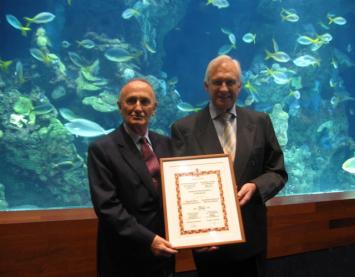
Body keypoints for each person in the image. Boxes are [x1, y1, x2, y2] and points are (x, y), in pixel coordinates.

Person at [171, 55, 288, 277]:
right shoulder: (183, 129)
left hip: (251, 241)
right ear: (206, 86)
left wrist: (255, 186)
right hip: (209, 244)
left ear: (240, 85)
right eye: (217, 82)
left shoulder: (260, 121)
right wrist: (193, 236)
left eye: (230, 82)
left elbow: (277, 171)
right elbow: (180, 189)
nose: (223, 88)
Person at [88, 78, 178, 277]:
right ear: (120, 106)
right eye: (131, 101)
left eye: (145, 102)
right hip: (124, 257)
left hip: (163, 255)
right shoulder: (102, 149)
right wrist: (148, 239)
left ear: (154, 108)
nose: (138, 107)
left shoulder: (167, 144)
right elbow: (107, 207)